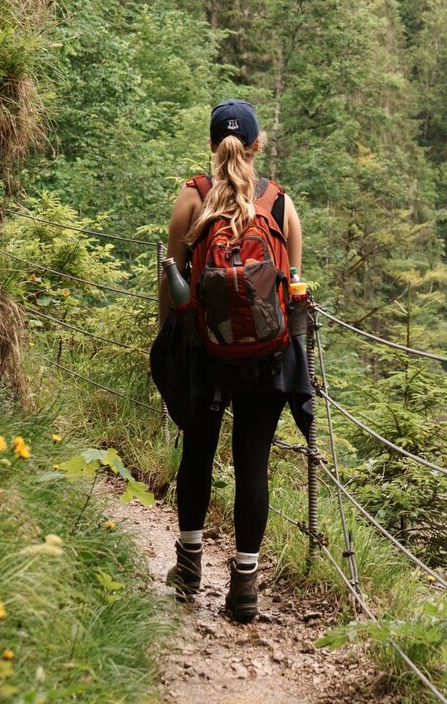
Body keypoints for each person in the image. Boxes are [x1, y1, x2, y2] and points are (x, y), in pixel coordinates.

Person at [158, 99, 312, 623]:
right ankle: (244, 587)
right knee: (252, 463)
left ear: (210, 145)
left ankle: (188, 569)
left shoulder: (191, 197)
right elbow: (292, 287)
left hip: (204, 350)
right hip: (268, 357)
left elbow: (172, 278)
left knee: (197, 453)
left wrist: (172, 339)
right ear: (257, 146)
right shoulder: (280, 203)